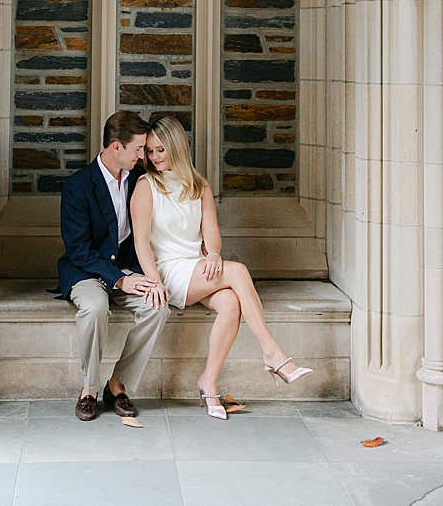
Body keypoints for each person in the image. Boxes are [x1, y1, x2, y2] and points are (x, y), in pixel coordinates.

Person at [130, 115, 312, 420]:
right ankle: (272, 353)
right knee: (238, 271)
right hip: (168, 271)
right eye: (149, 151)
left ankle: (208, 381)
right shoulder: (146, 186)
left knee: (230, 303)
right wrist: (154, 280)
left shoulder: (199, 185)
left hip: (197, 267)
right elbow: (140, 243)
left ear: (176, 147)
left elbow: (211, 233)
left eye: (160, 150)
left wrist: (214, 253)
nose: (154, 157)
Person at [55, 110, 169, 421]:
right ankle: (89, 390)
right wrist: (120, 280)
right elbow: (78, 249)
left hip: (127, 268)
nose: (142, 156)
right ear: (116, 147)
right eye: (138, 150)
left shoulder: (139, 180)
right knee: (93, 308)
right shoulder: (77, 186)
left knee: (158, 306)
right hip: (85, 271)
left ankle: (117, 384)